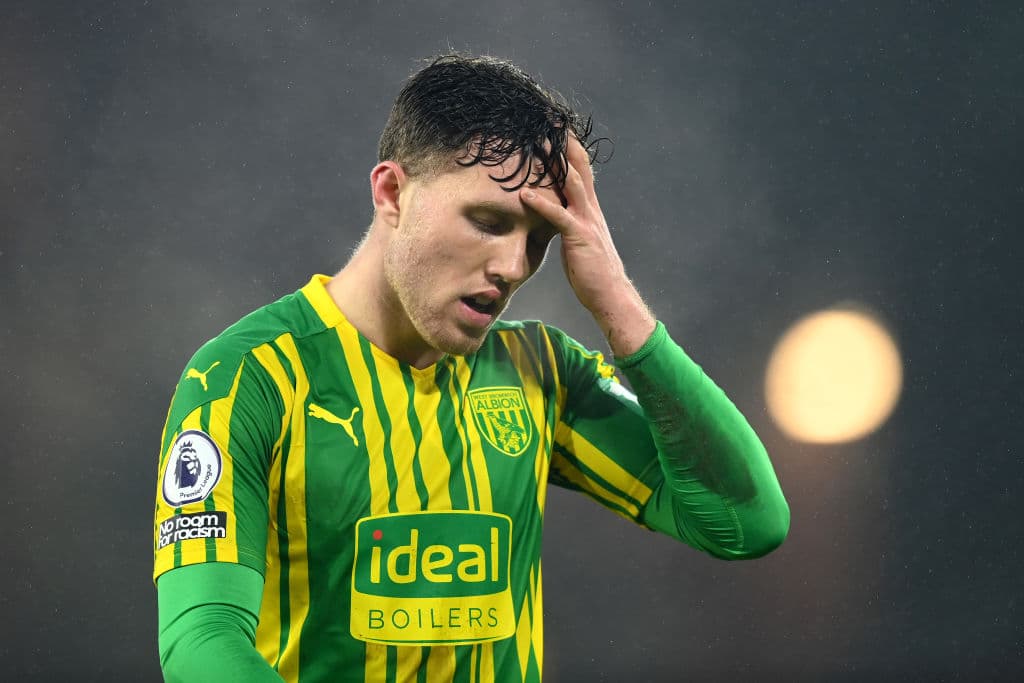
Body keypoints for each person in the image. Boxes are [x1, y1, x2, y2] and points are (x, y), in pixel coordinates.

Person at [153, 53, 790, 682]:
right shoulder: (248, 376)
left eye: (538, 240)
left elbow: (746, 522)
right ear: (392, 193)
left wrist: (617, 301)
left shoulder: (539, 372)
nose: (513, 266)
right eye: (488, 222)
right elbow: (201, 640)